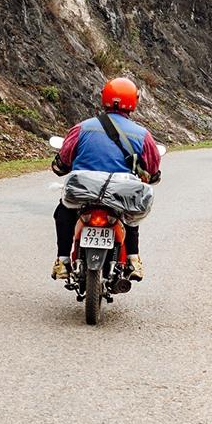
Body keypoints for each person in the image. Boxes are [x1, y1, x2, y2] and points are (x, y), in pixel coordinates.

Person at [50, 77, 161, 282]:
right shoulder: (142, 134)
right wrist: (151, 176)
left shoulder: (83, 128)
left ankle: (63, 261)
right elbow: (152, 167)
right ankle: (133, 259)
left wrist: (60, 166)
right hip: (121, 191)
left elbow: (65, 157)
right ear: (133, 102)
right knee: (130, 217)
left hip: (83, 189)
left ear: (104, 98)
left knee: (64, 213)